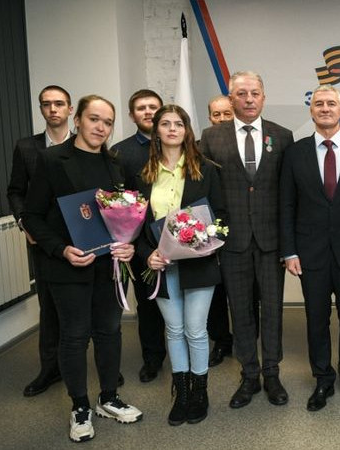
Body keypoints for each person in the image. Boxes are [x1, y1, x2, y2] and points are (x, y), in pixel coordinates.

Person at [22, 95, 143, 443]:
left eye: (108, 122)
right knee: (74, 336)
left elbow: (127, 215)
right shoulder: (51, 160)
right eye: (94, 119)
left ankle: (109, 398)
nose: (101, 127)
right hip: (67, 266)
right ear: (77, 120)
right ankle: (79, 407)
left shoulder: (116, 165)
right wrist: (61, 249)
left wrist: (130, 243)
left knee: (110, 332)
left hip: (108, 266)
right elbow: (31, 216)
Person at [199, 70, 294, 409]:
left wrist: (289, 244)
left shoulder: (282, 136)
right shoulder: (211, 137)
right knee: (240, 310)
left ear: (263, 97)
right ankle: (249, 375)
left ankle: (272, 373)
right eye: (242, 94)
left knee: (272, 310)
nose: (249, 99)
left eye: (255, 93)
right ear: (231, 99)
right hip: (232, 241)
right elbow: (203, 188)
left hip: (270, 241)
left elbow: (288, 193)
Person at [280, 85, 340, 411]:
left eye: (331, 103)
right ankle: (323, 379)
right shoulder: (295, 153)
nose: (325, 108)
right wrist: (289, 251)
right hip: (310, 254)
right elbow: (286, 205)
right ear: (311, 110)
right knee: (316, 319)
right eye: (319, 103)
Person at [135, 104, 227, 426]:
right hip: (161, 266)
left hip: (198, 263)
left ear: (187, 130)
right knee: (173, 330)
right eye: (165, 123)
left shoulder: (206, 170)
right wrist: (147, 253)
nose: (172, 129)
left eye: (178, 124)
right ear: (156, 130)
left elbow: (221, 216)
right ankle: (182, 394)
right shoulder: (144, 175)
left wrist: (203, 241)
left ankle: (200, 393)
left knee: (195, 330)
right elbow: (136, 227)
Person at [8, 85, 73, 397]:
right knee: (48, 307)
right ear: (41, 109)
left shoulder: (85, 143)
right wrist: (25, 224)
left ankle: (104, 368)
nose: (53, 109)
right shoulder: (26, 147)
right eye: (46, 104)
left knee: (87, 305)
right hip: (43, 240)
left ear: (70, 109)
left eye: (59, 103)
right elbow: (16, 191)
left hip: (80, 238)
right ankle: (50, 369)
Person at [112, 89, 167, 383]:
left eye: (153, 107)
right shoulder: (120, 152)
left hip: (178, 236)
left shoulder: (178, 143)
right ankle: (153, 358)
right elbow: (115, 199)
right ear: (132, 115)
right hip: (140, 243)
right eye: (141, 108)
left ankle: (186, 357)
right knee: (148, 303)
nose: (148, 112)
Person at [204, 94, 235, 367]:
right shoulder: (201, 144)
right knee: (215, 290)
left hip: (245, 228)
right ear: (209, 117)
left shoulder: (247, 141)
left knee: (247, 292)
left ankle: (246, 338)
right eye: (217, 114)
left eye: (227, 113)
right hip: (211, 227)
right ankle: (221, 340)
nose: (222, 119)